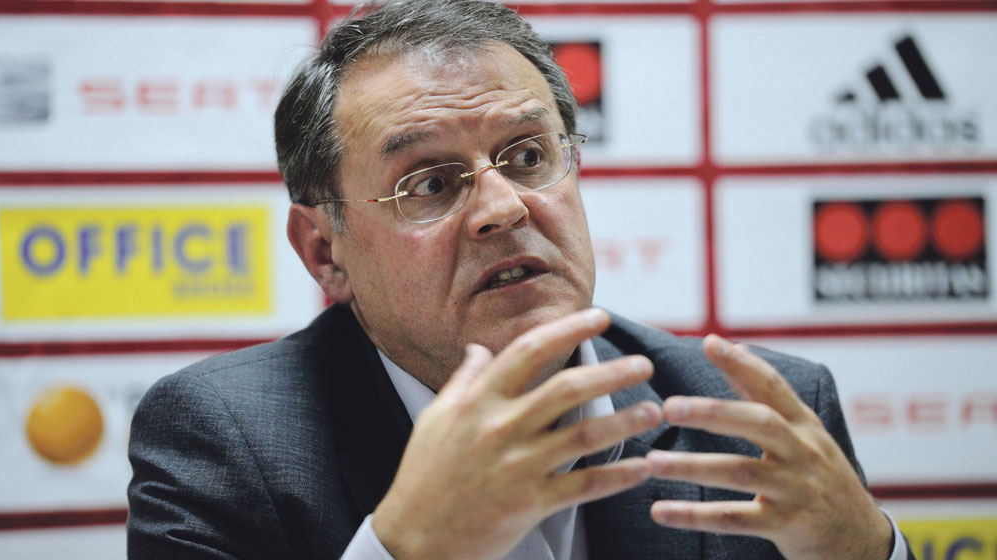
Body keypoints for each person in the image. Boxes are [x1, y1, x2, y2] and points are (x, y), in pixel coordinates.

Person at [126, 1, 914, 558]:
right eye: (430, 183)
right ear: (326, 252)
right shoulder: (226, 442)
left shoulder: (759, 418)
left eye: (529, 156)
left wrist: (866, 551)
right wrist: (407, 550)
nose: (503, 207)